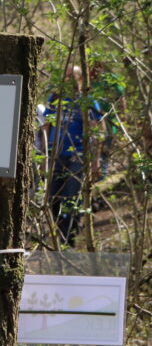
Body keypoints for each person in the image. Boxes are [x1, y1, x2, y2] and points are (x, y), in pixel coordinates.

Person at [43, 65, 103, 247]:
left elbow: (96, 133)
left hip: (77, 156)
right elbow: (46, 127)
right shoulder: (54, 98)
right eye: (65, 76)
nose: (67, 80)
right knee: (52, 200)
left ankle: (69, 241)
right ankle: (58, 237)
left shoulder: (87, 101)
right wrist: (44, 156)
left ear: (80, 79)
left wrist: (95, 162)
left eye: (72, 76)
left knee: (71, 200)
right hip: (56, 155)